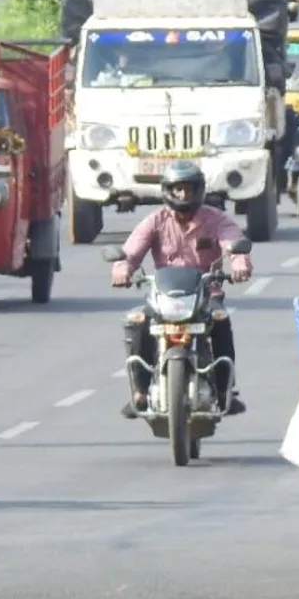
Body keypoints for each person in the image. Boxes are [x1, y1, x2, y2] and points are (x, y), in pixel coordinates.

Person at [111, 161, 251, 417]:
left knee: (220, 320)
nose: (183, 195)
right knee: (137, 321)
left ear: (200, 190)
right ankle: (140, 390)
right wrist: (122, 270)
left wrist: (240, 263)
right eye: (177, 189)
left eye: (189, 189)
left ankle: (224, 388)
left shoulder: (216, 219)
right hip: (163, 297)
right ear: (167, 190)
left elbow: (233, 243)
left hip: (206, 294)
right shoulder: (154, 221)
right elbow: (131, 251)